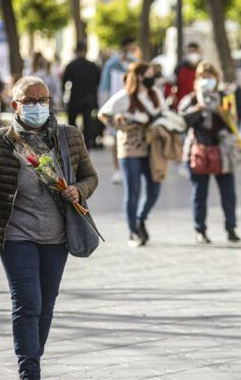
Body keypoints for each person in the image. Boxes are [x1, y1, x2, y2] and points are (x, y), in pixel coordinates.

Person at [0, 76, 98, 380]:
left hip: (57, 235)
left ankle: (27, 371)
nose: (38, 105)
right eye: (30, 100)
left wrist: (79, 190)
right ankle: (32, 378)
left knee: (46, 305)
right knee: (27, 303)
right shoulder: (0, 142)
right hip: (16, 233)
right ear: (15, 105)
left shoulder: (69, 137)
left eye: (43, 99)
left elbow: (90, 176)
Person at [99, 61, 166, 246]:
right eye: (151, 74)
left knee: (154, 186)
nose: (154, 77)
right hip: (130, 145)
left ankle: (140, 218)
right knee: (133, 189)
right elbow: (103, 114)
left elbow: (164, 114)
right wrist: (121, 126)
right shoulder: (124, 97)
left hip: (151, 144)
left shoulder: (155, 94)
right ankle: (133, 231)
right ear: (140, 76)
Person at [179, 61, 241, 244]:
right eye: (203, 77)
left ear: (217, 78)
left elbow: (233, 122)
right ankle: (200, 230)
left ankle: (231, 228)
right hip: (198, 149)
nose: (206, 80)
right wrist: (197, 110)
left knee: (228, 193)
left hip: (223, 152)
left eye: (210, 76)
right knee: (199, 193)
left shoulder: (225, 97)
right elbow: (180, 122)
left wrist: (223, 113)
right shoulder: (191, 99)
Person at [100, 37, 138, 184]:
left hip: (132, 106)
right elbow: (104, 87)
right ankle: (117, 169)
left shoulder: (134, 63)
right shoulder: (112, 64)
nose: (131, 50)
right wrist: (104, 107)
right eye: (129, 47)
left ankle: (129, 168)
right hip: (115, 106)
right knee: (116, 138)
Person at [63, 41, 101, 149]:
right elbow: (98, 82)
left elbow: (64, 81)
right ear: (86, 51)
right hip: (89, 98)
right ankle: (86, 147)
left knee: (72, 124)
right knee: (87, 124)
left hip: (75, 98)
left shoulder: (71, 65)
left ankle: (73, 145)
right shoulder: (92, 65)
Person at [174, 42, 202, 107]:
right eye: (190, 52)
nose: (192, 54)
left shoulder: (203, 66)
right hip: (182, 102)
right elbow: (171, 81)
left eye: (194, 51)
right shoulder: (180, 67)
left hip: (200, 102)